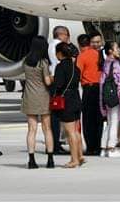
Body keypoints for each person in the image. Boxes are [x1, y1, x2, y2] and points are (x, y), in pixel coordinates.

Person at [21, 35, 54, 169]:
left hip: (29, 96)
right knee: (47, 129)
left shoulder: (26, 61)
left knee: (31, 130)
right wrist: (53, 78)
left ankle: (31, 159)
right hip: (43, 97)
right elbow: (46, 81)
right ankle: (50, 159)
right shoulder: (43, 62)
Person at [52, 42, 83, 168]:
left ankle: (74, 159)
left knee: (70, 132)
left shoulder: (60, 67)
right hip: (76, 97)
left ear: (60, 53)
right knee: (76, 131)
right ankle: (80, 155)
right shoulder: (76, 67)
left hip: (67, 100)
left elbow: (58, 84)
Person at [76, 32, 104, 156]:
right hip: (100, 88)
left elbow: (78, 74)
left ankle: (91, 147)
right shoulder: (99, 54)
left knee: (88, 120)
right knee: (98, 119)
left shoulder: (82, 56)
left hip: (88, 88)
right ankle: (98, 146)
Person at [100, 41, 120, 158]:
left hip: (107, 97)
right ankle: (112, 148)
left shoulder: (106, 63)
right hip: (115, 97)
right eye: (116, 48)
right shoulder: (115, 64)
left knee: (110, 122)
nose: (118, 50)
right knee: (115, 122)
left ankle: (103, 148)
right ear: (110, 51)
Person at [47, 25, 71, 154]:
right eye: (67, 35)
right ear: (61, 35)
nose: (67, 38)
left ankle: (53, 143)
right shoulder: (59, 47)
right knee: (57, 115)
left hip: (52, 81)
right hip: (58, 82)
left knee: (54, 115)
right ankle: (55, 145)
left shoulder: (50, 45)